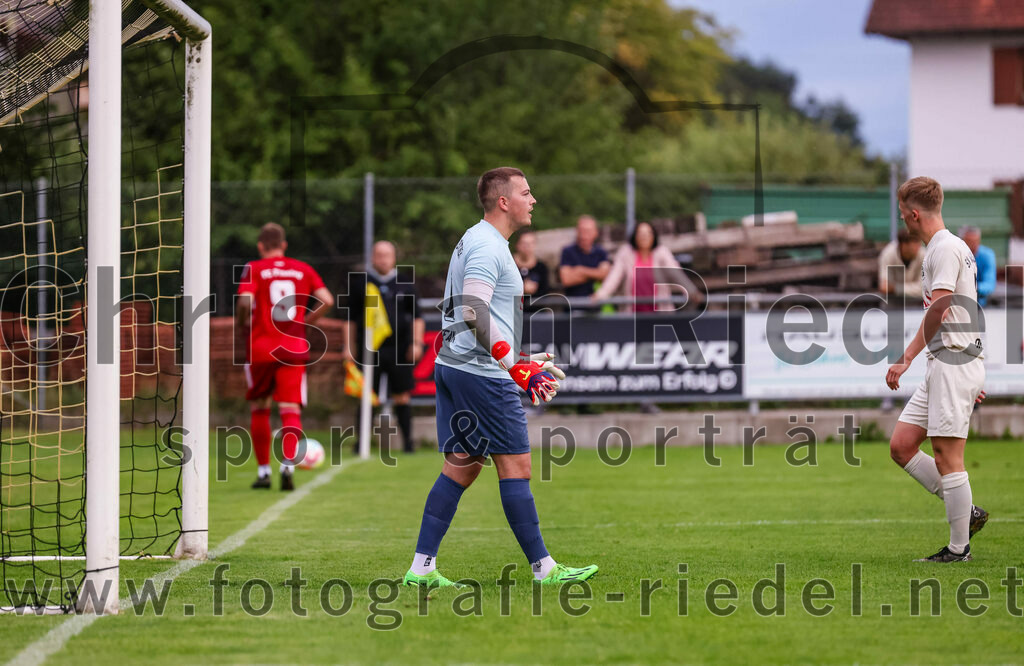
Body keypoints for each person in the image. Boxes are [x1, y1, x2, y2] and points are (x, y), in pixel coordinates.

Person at [403, 167, 598, 588]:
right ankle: (545, 569)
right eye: (526, 193)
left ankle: (421, 569)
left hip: (458, 367)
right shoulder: (488, 246)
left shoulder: (478, 240)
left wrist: (518, 354)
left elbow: (468, 314)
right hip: (481, 375)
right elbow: (473, 308)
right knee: (518, 467)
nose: (534, 199)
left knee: (462, 467)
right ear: (504, 201)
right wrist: (512, 365)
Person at [885, 177, 988, 562]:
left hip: (952, 362)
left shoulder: (944, 250)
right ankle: (967, 511)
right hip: (948, 363)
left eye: (902, 213)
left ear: (914, 214)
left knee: (947, 456)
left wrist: (907, 356)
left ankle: (959, 549)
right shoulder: (949, 248)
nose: (902, 220)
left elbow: (941, 309)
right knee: (902, 445)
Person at [236, 222, 333, 491]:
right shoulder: (303, 268)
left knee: (260, 407)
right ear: (284, 245)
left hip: (261, 348)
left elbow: (245, 301)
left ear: (260, 246)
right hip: (293, 348)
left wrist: (242, 324)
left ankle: (264, 471)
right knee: (290, 409)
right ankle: (288, 465)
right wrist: (304, 320)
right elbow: (327, 299)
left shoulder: (254, 268)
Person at [345, 240, 425, 453]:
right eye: (379, 255)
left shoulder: (405, 283)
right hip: (369, 350)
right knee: (367, 395)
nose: (383, 259)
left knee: (402, 395)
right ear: (372, 257)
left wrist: (416, 343)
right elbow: (350, 319)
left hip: (399, 349)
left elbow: (417, 317)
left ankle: (408, 444)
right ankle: (360, 444)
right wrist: (348, 346)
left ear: (394, 258)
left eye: (387, 255)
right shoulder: (361, 284)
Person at [592, 221, 703, 311]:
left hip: (659, 313)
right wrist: (600, 295)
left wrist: (691, 291)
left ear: (653, 236)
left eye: (647, 233)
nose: (644, 237)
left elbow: (676, 273)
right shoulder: (625, 253)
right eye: (640, 233)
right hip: (633, 313)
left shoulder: (662, 253)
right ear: (635, 236)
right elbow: (614, 277)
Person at [559, 215, 610, 301]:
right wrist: (594, 275)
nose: (584, 235)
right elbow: (566, 279)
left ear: (595, 233)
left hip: (595, 305)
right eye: (581, 231)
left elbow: (605, 275)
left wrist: (580, 270)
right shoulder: (567, 251)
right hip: (572, 305)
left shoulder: (601, 252)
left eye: (588, 231)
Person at [878, 228, 924, 300]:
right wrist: (913, 289)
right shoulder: (888, 255)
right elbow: (884, 287)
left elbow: (924, 289)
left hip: (918, 304)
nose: (919, 245)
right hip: (891, 304)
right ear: (904, 245)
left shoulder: (924, 256)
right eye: (916, 242)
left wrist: (895, 288)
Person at [958, 226, 997, 306]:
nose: (974, 245)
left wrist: (973, 288)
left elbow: (990, 284)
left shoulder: (987, 255)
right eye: (970, 242)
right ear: (961, 242)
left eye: (976, 241)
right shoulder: (956, 256)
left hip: (979, 304)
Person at [513, 230, 550, 308]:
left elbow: (545, 293)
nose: (527, 247)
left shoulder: (541, 267)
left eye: (531, 243)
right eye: (524, 243)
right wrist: (522, 289)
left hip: (536, 312)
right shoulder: (508, 265)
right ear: (517, 245)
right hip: (512, 311)